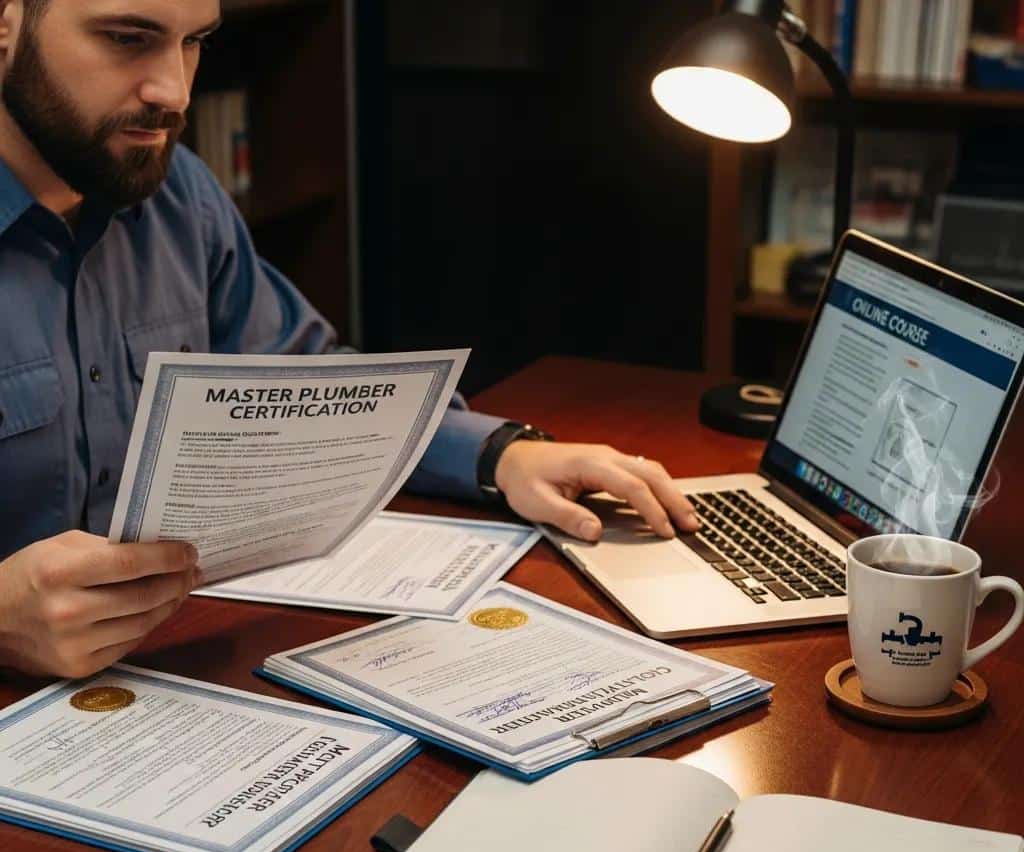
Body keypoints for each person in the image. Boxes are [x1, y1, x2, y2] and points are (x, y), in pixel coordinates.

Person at [0, 0, 697, 680]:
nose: (174, 92)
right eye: (127, 39)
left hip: (176, 672)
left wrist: (500, 455)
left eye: (194, 42)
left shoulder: (179, 194)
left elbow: (311, 391)